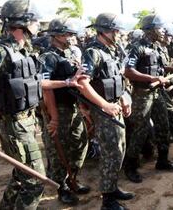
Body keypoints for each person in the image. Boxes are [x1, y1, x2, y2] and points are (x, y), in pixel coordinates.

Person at [0, 0, 85, 209]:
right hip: (14, 126)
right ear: (22, 23)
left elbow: (37, 82)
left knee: (21, 176)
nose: (38, 25)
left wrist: (66, 82)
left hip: (27, 123)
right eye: (35, 20)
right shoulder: (0, 52)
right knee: (35, 181)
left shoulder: (24, 51)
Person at [77, 13, 134, 210]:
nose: (118, 34)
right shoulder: (93, 52)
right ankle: (107, 201)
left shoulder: (111, 51)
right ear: (105, 31)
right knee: (111, 153)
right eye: (115, 30)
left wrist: (123, 99)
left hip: (115, 107)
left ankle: (112, 188)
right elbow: (82, 83)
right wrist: (104, 105)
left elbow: (116, 80)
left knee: (119, 151)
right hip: (104, 112)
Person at [123, 14, 173, 184]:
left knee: (164, 126)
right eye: (160, 28)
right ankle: (131, 166)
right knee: (140, 131)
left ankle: (162, 161)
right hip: (142, 94)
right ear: (150, 30)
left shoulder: (156, 47)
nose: (163, 31)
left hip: (157, 93)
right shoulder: (136, 47)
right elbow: (128, 71)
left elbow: (162, 66)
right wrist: (152, 79)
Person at [39, 18, 90, 205]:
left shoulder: (68, 52)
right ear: (57, 35)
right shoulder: (48, 57)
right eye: (67, 34)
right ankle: (62, 187)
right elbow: (45, 87)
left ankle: (72, 177)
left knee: (80, 143)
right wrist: (53, 117)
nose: (71, 37)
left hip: (73, 106)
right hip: (57, 108)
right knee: (58, 151)